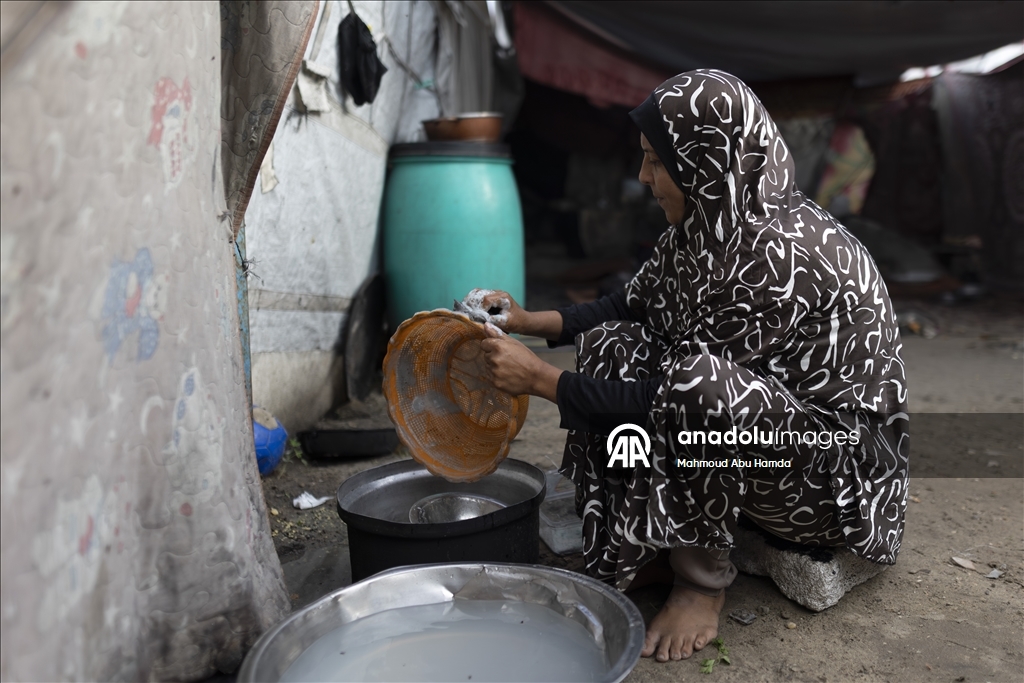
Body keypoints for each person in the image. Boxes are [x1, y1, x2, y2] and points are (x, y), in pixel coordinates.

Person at [476, 70, 908, 663]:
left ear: (706, 159)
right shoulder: (712, 220)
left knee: (699, 387)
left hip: (829, 480)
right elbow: (634, 302)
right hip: (768, 437)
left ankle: (702, 580)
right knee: (613, 344)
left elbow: (685, 400)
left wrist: (541, 381)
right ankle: (648, 542)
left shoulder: (776, 253)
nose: (643, 178)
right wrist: (530, 321)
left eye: (656, 161)